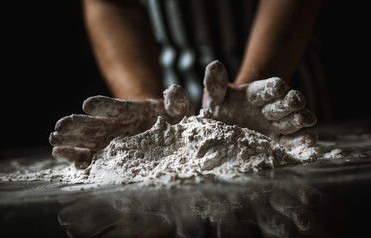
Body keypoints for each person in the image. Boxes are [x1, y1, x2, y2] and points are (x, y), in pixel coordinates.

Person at [49, 0, 321, 168]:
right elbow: (114, 3)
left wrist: (255, 87)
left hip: (281, 95)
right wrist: (144, 106)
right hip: (172, 83)